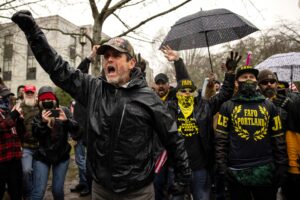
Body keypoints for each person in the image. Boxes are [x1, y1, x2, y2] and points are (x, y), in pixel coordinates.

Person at [12, 11, 191, 200]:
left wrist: (183, 177)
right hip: (100, 189)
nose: (109, 60)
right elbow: (58, 69)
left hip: (138, 192)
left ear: (131, 63)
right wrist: (33, 33)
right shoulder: (94, 89)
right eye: (106, 56)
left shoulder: (149, 99)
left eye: (116, 55)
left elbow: (173, 139)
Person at [165, 51, 238, 200]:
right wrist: (178, 62)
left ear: (195, 93)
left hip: (200, 167)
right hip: (177, 167)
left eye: (189, 91)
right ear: (177, 93)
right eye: (182, 91)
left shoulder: (205, 106)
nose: (186, 93)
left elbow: (224, 94)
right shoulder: (168, 108)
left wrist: (230, 73)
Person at [215, 65, 288, 200]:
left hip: (264, 170)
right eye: (244, 77)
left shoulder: (269, 106)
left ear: (256, 81)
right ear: (237, 82)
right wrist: (222, 166)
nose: (248, 79)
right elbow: (221, 140)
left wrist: (281, 165)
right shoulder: (227, 106)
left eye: (252, 77)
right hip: (236, 171)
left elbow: (278, 138)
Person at [257, 69, 300, 199]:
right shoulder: (254, 102)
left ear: (276, 83)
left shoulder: (290, 98)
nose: (269, 84)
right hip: (265, 157)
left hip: (287, 156)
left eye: (272, 81)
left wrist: (291, 106)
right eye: (265, 82)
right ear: (259, 85)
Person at [31, 86, 79, 200]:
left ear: (55, 99)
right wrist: (43, 123)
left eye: (49, 99)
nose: (47, 102)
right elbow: (36, 135)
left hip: (61, 156)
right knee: (38, 192)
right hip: (42, 156)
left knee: (57, 190)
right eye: (44, 100)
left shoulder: (64, 111)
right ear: (40, 102)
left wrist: (66, 121)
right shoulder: (37, 114)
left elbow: (77, 130)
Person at [70, 45, 100, 197]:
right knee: (79, 160)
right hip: (78, 131)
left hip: (90, 133)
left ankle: (88, 185)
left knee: (87, 162)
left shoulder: (96, 93)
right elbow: (79, 72)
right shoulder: (80, 91)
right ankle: (83, 182)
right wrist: (90, 56)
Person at [0, 84, 24, 200]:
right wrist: (13, 116)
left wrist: (19, 120)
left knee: (16, 191)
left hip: (15, 156)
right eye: (3, 96)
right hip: (1, 159)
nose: (6, 99)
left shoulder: (9, 110)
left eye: (7, 96)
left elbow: (20, 133)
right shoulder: (10, 113)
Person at [19, 84, 39, 200]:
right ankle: (28, 195)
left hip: (39, 146)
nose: (30, 94)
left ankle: (35, 196)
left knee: (37, 174)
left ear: (35, 93)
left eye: (32, 92)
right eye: (28, 92)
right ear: (24, 94)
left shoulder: (40, 106)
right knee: (26, 171)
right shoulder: (19, 107)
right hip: (26, 146)